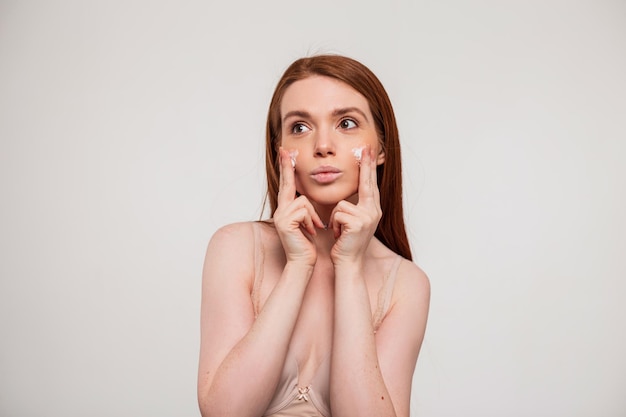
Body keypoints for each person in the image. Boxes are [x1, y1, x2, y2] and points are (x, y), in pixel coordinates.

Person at [197, 54, 430, 417]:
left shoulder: (406, 284)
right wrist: (298, 266)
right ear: (280, 152)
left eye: (347, 123)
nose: (323, 145)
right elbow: (225, 411)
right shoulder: (235, 248)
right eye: (300, 128)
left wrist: (350, 266)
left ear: (382, 147)